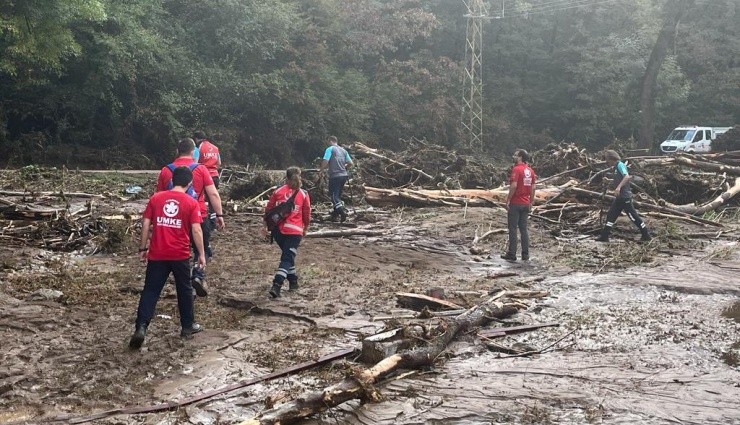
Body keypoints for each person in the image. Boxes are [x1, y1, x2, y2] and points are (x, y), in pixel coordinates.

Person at [129, 166, 206, 349]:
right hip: (179, 255)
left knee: (151, 291)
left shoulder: (156, 198)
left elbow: (146, 223)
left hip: (157, 253)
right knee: (184, 289)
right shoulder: (190, 202)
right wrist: (201, 254)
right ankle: (187, 326)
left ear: (172, 180)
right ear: (189, 183)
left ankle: (141, 327)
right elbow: (196, 229)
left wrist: (142, 247)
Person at [156, 138, 225, 294]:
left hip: (173, 219)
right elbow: (213, 193)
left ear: (177, 151)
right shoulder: (201, 169)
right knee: (203, 249)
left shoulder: (166, 170)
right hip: (199, 215)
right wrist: (219, 214)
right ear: (194, 152)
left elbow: (159, 198)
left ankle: (184, 282)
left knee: (181, 250)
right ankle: (198, 275)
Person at [265, 167, 311, 298]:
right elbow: (306, 213)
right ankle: (277, 284)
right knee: (287, 258)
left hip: (278, 231)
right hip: (295, 232)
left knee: (288, 256)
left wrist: (266, 226)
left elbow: (269, 209)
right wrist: (306, 227)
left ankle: (293, 281)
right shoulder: (303, 194)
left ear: (286, 178)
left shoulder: (278, 191)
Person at [596, 150, 651, 242]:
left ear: (611, 158)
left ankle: (646, 234)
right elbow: (619, 179)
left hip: (625, 197)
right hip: (619, 198)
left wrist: (618, 188)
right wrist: (608, 181)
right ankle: (604, 236)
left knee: (633, 217)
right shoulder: (615, 168)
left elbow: (626, 177)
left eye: (607, 159)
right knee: (611, 215)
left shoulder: (620, 165)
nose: (606, 162)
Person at [501, 149, 536, 262]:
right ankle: (525, 254)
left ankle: (512, 253)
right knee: (524, 229)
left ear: (520, 157)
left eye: (516, 155)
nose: (514, 156)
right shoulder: (530, 171)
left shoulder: (516, 169)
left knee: (512, 228)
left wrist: (508, 200)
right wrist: (531, 201)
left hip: (516, 203)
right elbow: (533, 187)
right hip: (526, 203)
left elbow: (514, 185)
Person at [319, 136, 353, 222]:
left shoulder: (330, 149)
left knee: (333, 196)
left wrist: (321, 170)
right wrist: (344, 168)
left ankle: (342, 212)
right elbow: (350, 163)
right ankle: (335, 213)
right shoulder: (344, 151)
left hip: (335, 176)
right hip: (344, 175)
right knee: (338, 195)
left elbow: (326, 160)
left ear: (330, 141)